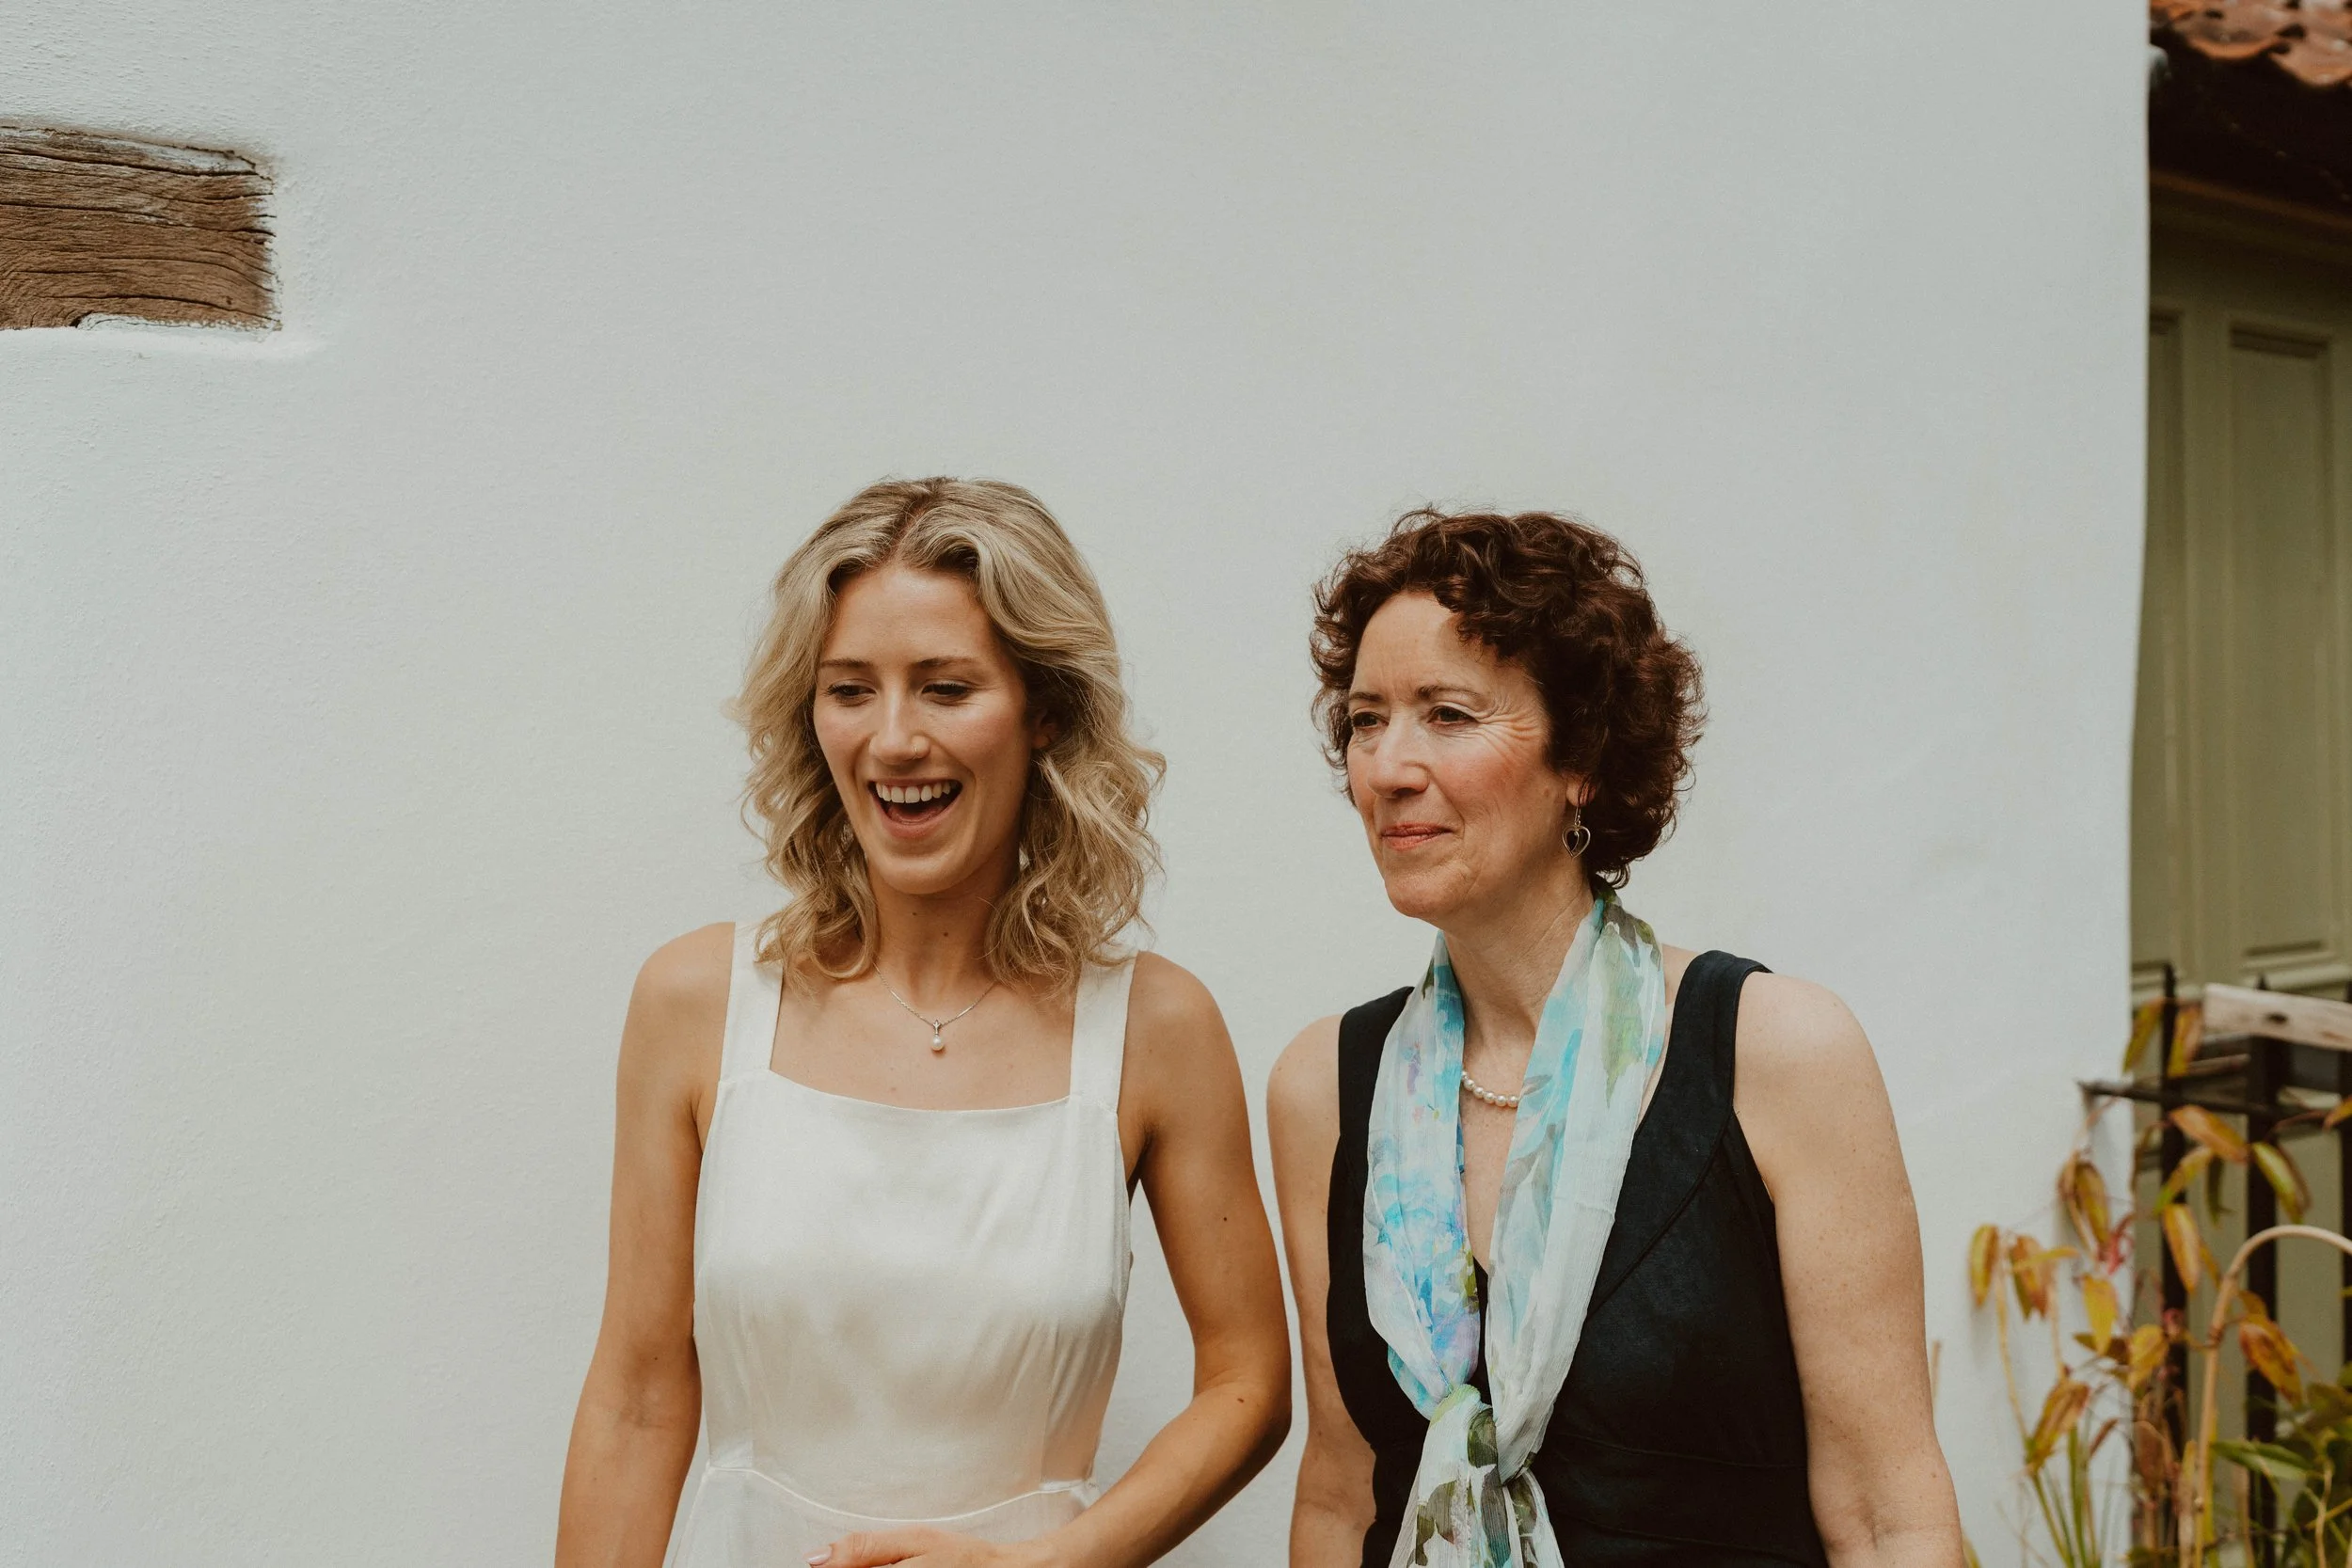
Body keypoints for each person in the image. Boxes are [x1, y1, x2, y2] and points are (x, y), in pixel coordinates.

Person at [556, 479, 1290, 1568]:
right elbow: (637, 1394)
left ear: (1043, 710)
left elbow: (1250, 1380)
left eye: (946, 688)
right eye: (850, 689)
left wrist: (1056, 1564)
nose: (894, 738)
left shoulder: (1156, 1025)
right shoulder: (698, 998)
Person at [1267, 508, 1964, 1568]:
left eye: (1446, 713)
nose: (1387, 766)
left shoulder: (1773, 1050)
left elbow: (1887, 1517)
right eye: (1367, 720)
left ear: (1581, 756)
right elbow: (1341, 1486)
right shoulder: (1324, 1085)